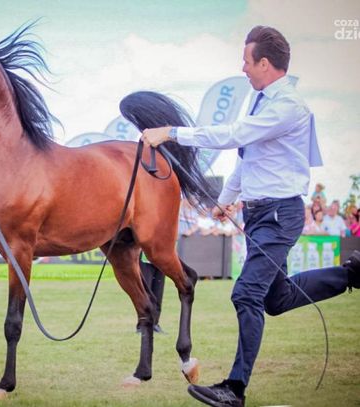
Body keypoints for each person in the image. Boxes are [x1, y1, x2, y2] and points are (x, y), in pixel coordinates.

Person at [141, 25, 360, 407]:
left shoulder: (287, 106)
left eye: (246, 61)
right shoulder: (261, 101)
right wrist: (226, 199)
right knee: (277, 298)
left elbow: (234, 135)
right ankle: (351, 276)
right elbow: (247, 156)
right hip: (260, 215)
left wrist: (171, 132)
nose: (242, 68)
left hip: (279, 214)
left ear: (264, 63)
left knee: (246, 294)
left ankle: (235, 389)